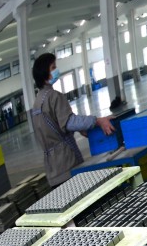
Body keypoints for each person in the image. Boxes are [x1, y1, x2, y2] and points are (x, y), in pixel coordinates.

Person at [30, 53, 115, 186]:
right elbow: (69, 122)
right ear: (44, 73)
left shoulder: (36, 103)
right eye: (53, 67)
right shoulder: (54, 96)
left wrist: (80, 128)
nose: (56, 70)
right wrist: (98, 121)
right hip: (67, 164)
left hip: (53, 169)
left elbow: (54, 127)